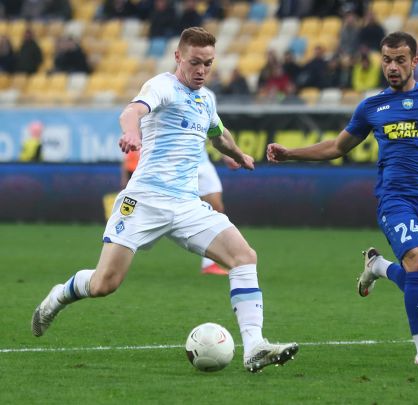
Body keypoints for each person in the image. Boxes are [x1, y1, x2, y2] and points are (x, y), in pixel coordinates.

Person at [31, 27, 298, 373]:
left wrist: (238, 155)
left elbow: (218, 134)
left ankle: (254, 347)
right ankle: (59, 295)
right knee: (104, 284)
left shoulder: (206, 99)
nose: (201, 70)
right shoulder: (162, 86)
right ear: (178, 57)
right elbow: (131, 112)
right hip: (144, 200)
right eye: (195, 62)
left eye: (208, 63)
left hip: (187, 205)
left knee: (244, 256)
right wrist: (131, 132)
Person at [267, 31, 418, 367]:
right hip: (395, 200)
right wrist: (290, 154)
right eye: (387, 60)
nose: (392, 67)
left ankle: (378, 266)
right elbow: (336, 147)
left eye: (400, 60)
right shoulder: (371, 107)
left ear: (415, 62)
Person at [119, 146, 235, 275]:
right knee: (155, 211)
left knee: (216, 208)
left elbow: (213, 134)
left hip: (201, 161)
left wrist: (227, 153)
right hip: (176, 163)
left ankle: (209, 264)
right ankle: (121, 243)